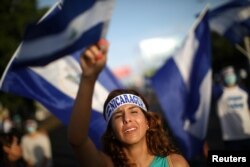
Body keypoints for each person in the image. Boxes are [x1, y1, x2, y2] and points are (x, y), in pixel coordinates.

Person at [68, 39, 190, 167]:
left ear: (147, 122)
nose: (127, 119)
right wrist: (88, 78)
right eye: (118, 115)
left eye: (133, 111)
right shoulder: (106, 164)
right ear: (112, 132)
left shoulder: (175, 163)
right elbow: (77, 141)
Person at [216, 66, 250, 150]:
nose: (230, 77)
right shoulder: (219, 92)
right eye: (227, 75)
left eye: (231, 74)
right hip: (230, 137)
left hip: (247, 133)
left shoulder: (244, 91)